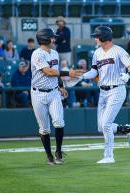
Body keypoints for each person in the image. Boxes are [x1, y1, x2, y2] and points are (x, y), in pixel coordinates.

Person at [80, 26, 130, 164]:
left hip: (117, 89)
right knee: (101, 126)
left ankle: (109, 156)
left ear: (104, 37)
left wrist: (128, 75)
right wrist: (81, 76)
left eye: (97, 36)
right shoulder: (97, 52)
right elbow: (94, 72)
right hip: (103, 92)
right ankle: (128, 129)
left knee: (106, 124)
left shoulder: (118, 50)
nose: (95, 38)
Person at [31, 28, 83, 165]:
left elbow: (55, 72)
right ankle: (49, 156)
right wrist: (68, 73)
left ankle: (58, 151)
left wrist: (61, 86)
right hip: (38, 93)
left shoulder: (54, 53)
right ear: (44, 39)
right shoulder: (37, 54)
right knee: (44, 128)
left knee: (59, 121)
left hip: (54, 92)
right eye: (52, 37)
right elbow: (48, 71)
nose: (54, 39)